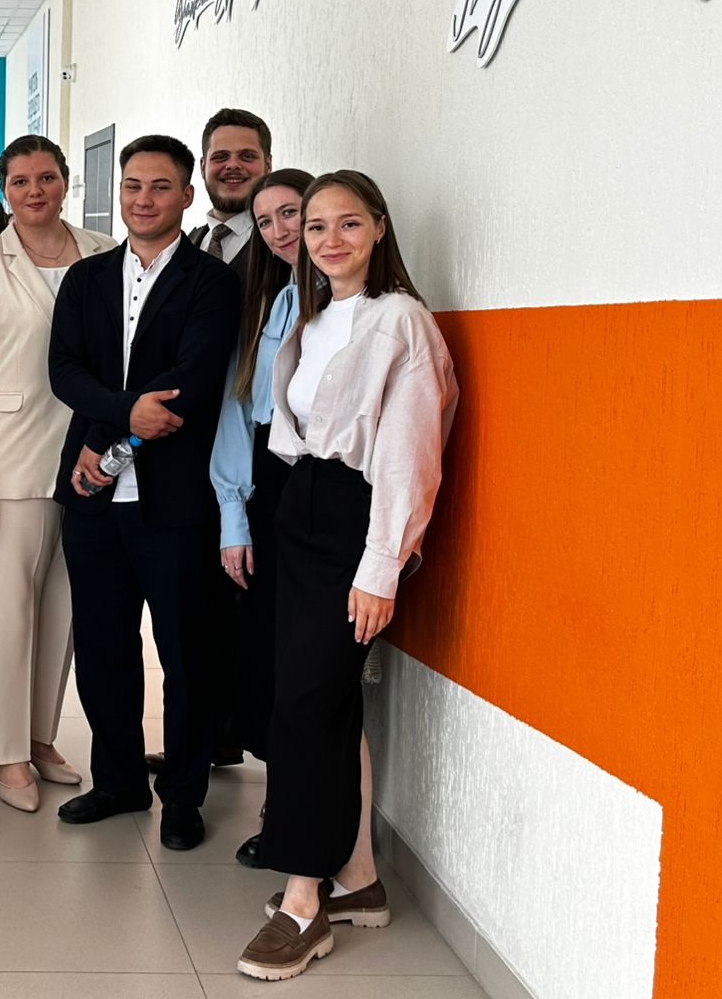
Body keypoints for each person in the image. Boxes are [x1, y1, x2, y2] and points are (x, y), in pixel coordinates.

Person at [237, 170, 457, 982]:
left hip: (354, 523)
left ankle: (305, 903)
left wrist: (381, 568)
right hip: (300, 509)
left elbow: (409, 457)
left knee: (304, 707)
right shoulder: (313, 315)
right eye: (317, 226)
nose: (330, 240)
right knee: (323, 704)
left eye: (348, 224)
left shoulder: (401, 322)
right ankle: (358, 880)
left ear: (380, 228)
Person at [48, 134, 240, 851]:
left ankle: (183, 795)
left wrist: (113, 441)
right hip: (91, 498)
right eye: (132, 185)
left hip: (176, 502)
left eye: (160, 186)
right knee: (104, 648)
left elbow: (192, 380)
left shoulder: (211, 282)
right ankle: (119, 780)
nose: (144, 199)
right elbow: (65, 370)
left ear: (186, 196)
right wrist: (119, 425)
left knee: (187, 654)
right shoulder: (86, 278)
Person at [0, 135, 114, 811]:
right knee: (4, 614)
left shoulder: (104, 252)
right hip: (8, 460)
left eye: (46, 177)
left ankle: (39, 737)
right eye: (20, 181)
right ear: (4, 189)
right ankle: (4, 751)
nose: (34, 191)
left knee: (63, 612)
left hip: (89, 459)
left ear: (66, 182)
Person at [206, 168, 314, 866]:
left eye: (291, 214)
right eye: (266, 220)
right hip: (268, 485)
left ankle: (298, 813)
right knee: (265, 651)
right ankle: (282, 801)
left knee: (306, 660)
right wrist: (234, 517)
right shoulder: (273, 300)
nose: (279, 231)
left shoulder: (359, 306)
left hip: (321, 483)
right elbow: (238, 410)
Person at [187, 108, 272, 279]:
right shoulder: (186, 244)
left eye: (247, 156)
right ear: (203, 167)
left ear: (268, 166)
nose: (233, 165)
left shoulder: (283, 242)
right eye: (221, 157)